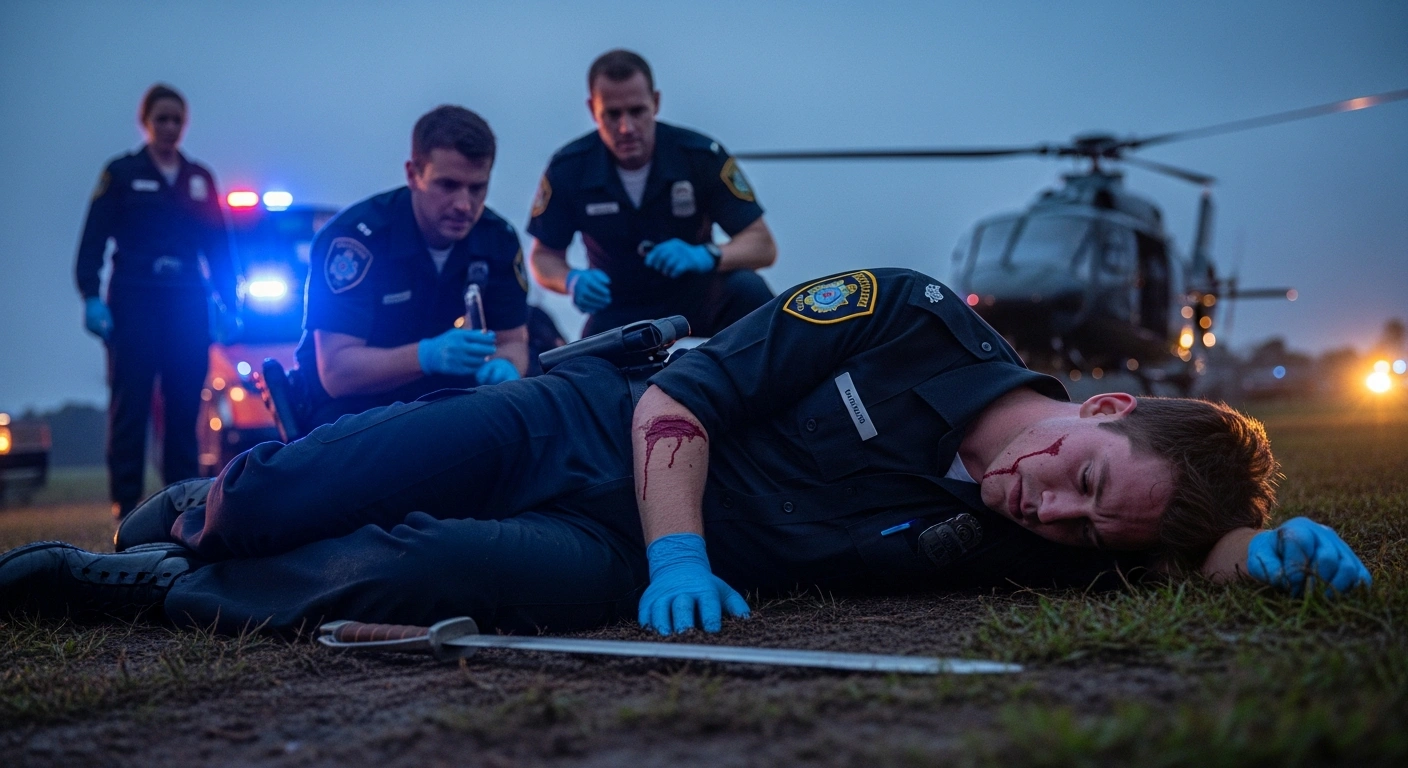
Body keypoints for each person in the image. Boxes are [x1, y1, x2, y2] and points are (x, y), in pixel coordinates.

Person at [2, 269, 1370, 636]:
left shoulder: (1064, 535)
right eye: (1077, 478)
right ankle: (200, 508)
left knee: (407, 576)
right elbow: (683, 406)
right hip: (590, 424)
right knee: (324, 481)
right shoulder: (902, 318)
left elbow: (1162, 546)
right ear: (1109, 405)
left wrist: (1259, 552)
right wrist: (680, 551)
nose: (1049, 509)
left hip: (614, 552)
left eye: (1084, 529)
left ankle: (143, 586)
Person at [291, 105, 530, 429]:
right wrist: (426, 355)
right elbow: (337, 372)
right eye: (447, 185)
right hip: (351, 416)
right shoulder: (356, 241)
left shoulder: (496, 239)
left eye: (477, 188)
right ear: (413, 174)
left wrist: (507, 367)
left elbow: (513, 341)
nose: (464, 205)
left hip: (446, 403)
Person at [528, 49, 778, 337]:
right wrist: (569, 280)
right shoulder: (568, 169)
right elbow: (543, 257)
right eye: (612, 114)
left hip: (697, 299)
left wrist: (707, 255)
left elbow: (763, 246)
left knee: (747, 289)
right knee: (582, 370)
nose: (626, 128)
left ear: (656, 103)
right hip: (618, 310)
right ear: (592, 110)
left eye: (637, 111)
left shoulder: (699, 156)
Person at [74, 84, 239, 520]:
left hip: (187, 301)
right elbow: (92, 240)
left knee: (185, 405)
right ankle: (126, 509)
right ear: (145, 122)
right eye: (161, 119)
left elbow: (218, 248)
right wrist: (90, 295)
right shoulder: (122, 174)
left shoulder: (199, 179)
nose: (169, 128)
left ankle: (182, 508)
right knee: (132, 407)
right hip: (134, 299)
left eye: (176, 120)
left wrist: (229, 302)